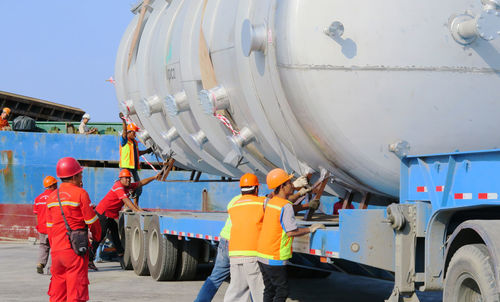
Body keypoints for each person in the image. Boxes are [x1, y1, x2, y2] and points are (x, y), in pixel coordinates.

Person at [257, 168, 325, 302]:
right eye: (289, 183)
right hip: (275, 256)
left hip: (262, 254)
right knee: (282, 291)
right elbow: (291, 232)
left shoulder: (270, 202)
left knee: (269, 289)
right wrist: (310, 229)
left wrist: (299, 193)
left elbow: (281, 198)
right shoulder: (285, 206)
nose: (291, 185)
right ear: (282, 186)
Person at [45, 157, 101, 302]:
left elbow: (49, 228)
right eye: (80, 175)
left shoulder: (51, 198)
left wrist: (55, 247)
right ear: (74, 176)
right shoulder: (80, 194)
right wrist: (97, 237)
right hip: (75, 251)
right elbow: (92, 221)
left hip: (56, 253)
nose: (82, 177)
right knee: (76, 293)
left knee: (58, 293)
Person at [89, 169, 159, 270]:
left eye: (129, 178)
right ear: (120, 179)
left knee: (115, 236)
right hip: (103, 214)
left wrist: (154, 177)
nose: (128, 180)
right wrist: (136, 210)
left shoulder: (128, 186)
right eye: (126, 178)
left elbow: (140, 183)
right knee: (100, 236)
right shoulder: (118, 186)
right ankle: (89, 259)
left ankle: (121, 257)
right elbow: (126, 199)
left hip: (110, 216)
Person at [223, 173, 265, 302]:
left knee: (236, 293)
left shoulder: (234, 205)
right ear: (256, 189)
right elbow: (278, 205)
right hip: (253, 254)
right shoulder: (262, 203)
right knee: (260, 294)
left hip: (235, 255)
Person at [194, 195, 241, 302]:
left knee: (215, 278)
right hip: (238, 244)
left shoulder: (235, 199)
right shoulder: (257, 202)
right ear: (256, 189)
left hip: (225, 241)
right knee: (250, 281)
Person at [119, 112, 152, 207]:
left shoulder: (134, 143)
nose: (135, 134)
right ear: (129, 132)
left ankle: (136, 204)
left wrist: (147, 151)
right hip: (126, 168)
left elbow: (137, 153)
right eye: (134, 132)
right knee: (128, 187)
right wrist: (124, 121)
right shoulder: (124, 141)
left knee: (138, 186)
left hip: (133, 168)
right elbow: (124, 132)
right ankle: (127, 206)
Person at [34, 175, 58, 274]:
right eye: (56, 184)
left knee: (43, 246)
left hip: (42, 227)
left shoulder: (38, 198)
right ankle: (51, 269)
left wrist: (39, 226)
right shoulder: (56, 197)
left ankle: (40, 263)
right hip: (53, 227)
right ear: (52, 185)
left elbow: (36, 214)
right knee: (55, 248)